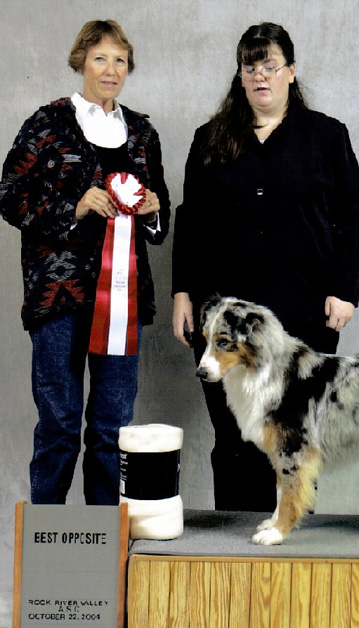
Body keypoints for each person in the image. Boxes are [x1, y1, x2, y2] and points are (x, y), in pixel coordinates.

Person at [172, 22, 359, 511]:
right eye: (250, 67)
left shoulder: (326, 136)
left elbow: (354, 213)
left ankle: (290, 539)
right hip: (225, 320)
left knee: (294, 436)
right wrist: (182, 294)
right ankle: (234, 544)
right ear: (240, 76)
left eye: (270, 66)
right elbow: (190, 221)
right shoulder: (210, 139)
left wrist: (345, 290)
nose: (260, 76)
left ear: (291, 72)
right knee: (234, 438)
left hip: (304, 313)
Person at [0, 20, 170, 505]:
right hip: (58, 298)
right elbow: (9, 196)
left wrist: (154, 211)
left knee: (113, 426)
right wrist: (73, 208)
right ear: (81, 63)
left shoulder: (142, 131)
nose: (110, 70)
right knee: (59, 423)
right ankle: (46, 538)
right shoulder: (46, 123)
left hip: (124, 301)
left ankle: (105, 539)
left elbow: (159, 216)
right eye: (100, 59)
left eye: (120, 60)